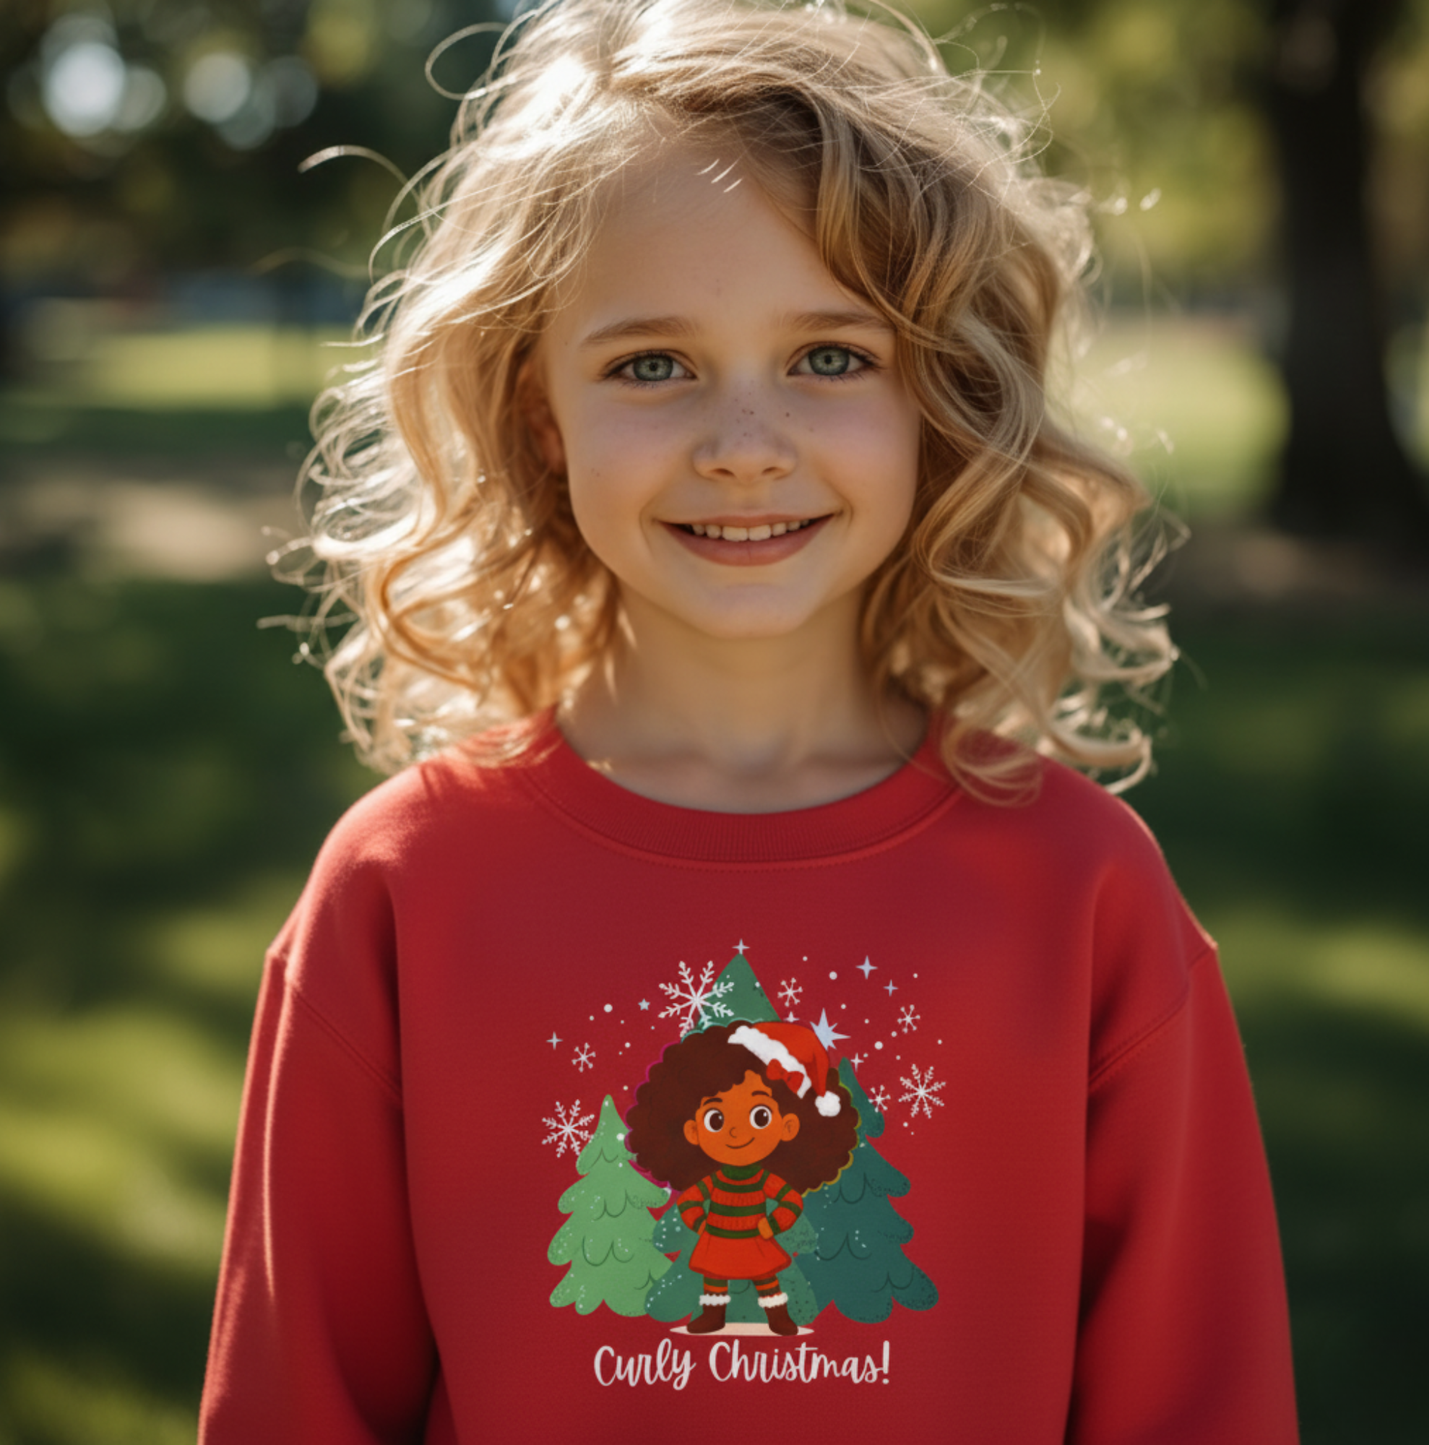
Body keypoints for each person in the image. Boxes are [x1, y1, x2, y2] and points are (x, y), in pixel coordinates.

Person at [200, 1, 1298, 1440]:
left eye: (829, 356)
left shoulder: (1083, 892)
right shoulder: (401, 888)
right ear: (541, 415)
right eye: (650, 364)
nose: (740, 446)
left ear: (937, 396)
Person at [625, 1020, 862, 1335]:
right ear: (692, 1131)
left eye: (760, 1116)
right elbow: (690, 1200)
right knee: (714, 1278)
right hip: (717, 1238)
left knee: (766, 1278)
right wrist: (700, 1223)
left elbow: (790, 1201)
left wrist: (772, 1225)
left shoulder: (764, 1180)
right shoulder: (713, 1181)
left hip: (755, 1238)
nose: (736, 1132)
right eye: (716, 1119)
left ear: (788, 1126)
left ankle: (778, 1316)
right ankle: (713, 1316)